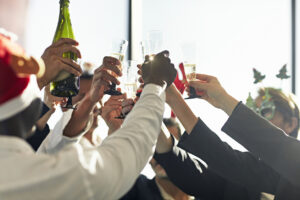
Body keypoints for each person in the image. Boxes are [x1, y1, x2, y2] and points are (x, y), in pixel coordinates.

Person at [0, 31, 177, 200]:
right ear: (30, 109)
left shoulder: (27, 168)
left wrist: (89, 102)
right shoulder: (59, 173)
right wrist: (155, 84)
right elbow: (131, 149)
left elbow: (48, 152)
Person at [153, 74, 300, 200]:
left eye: (266, 111)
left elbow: (276, 144)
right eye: (253, 111)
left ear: (291, 124)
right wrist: (155, 115)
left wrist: (224, 99)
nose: (257, 118)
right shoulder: (248, 177)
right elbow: (204, 170)